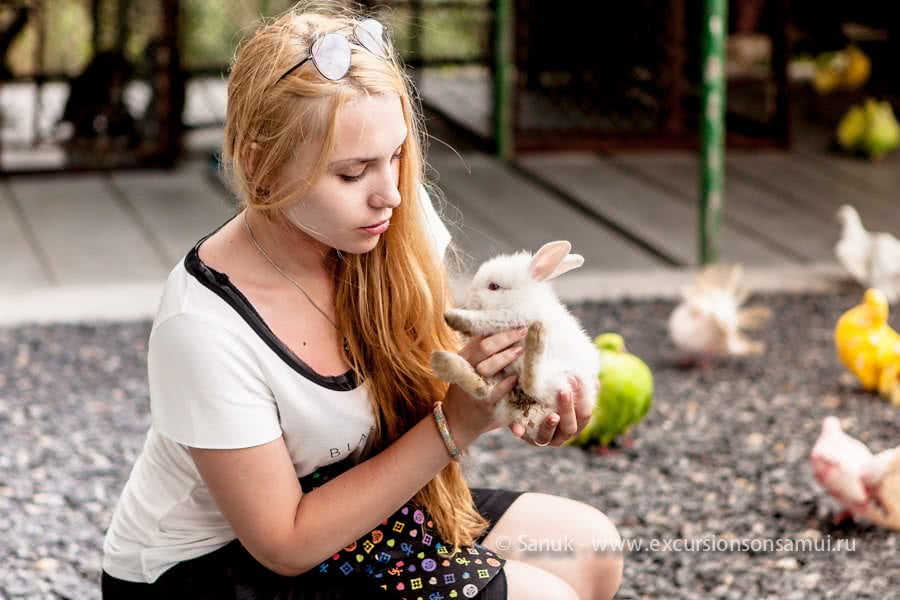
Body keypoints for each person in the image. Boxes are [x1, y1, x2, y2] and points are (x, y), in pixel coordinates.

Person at [100, 3, 623, 598]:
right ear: (258, 166)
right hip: (222, 567)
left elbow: (438, 363)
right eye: (351, 174)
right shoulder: (201, 326)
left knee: (591, 548)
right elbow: (284, 544)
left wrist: (518, 396)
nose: (391, 195)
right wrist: (457, 423)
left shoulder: (384, 226)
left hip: (349, 513)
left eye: (397, 155)